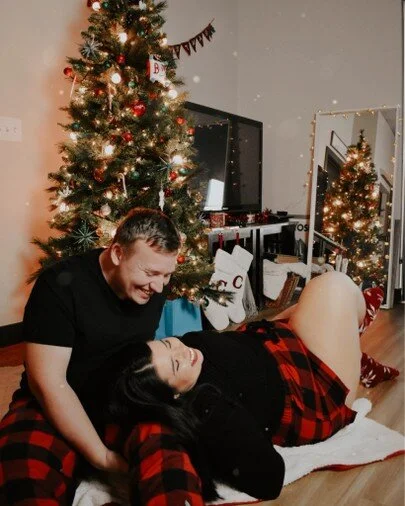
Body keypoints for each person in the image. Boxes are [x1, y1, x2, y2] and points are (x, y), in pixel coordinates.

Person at [103, 272, 398, 502]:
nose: (182, 352)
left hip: (278, 341)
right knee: (333, 285)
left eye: (168, 344)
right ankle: (357, 333)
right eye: (175, 365)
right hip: (310, 388)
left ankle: (354, 342)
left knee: (311, 302)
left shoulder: (179, 361)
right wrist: (207, 406)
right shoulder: (206, 408)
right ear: (174, 395)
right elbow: (269, 478)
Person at [0, 207, 206, 506]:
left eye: (167, 275)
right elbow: (48, 383)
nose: (159, 286)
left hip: (123, 396)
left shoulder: (155, 283)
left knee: (170, 455)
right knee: (20, 467)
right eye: (150, 273)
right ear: (118, 253)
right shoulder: (59, 285)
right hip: (56, 398)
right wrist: (102, 457)